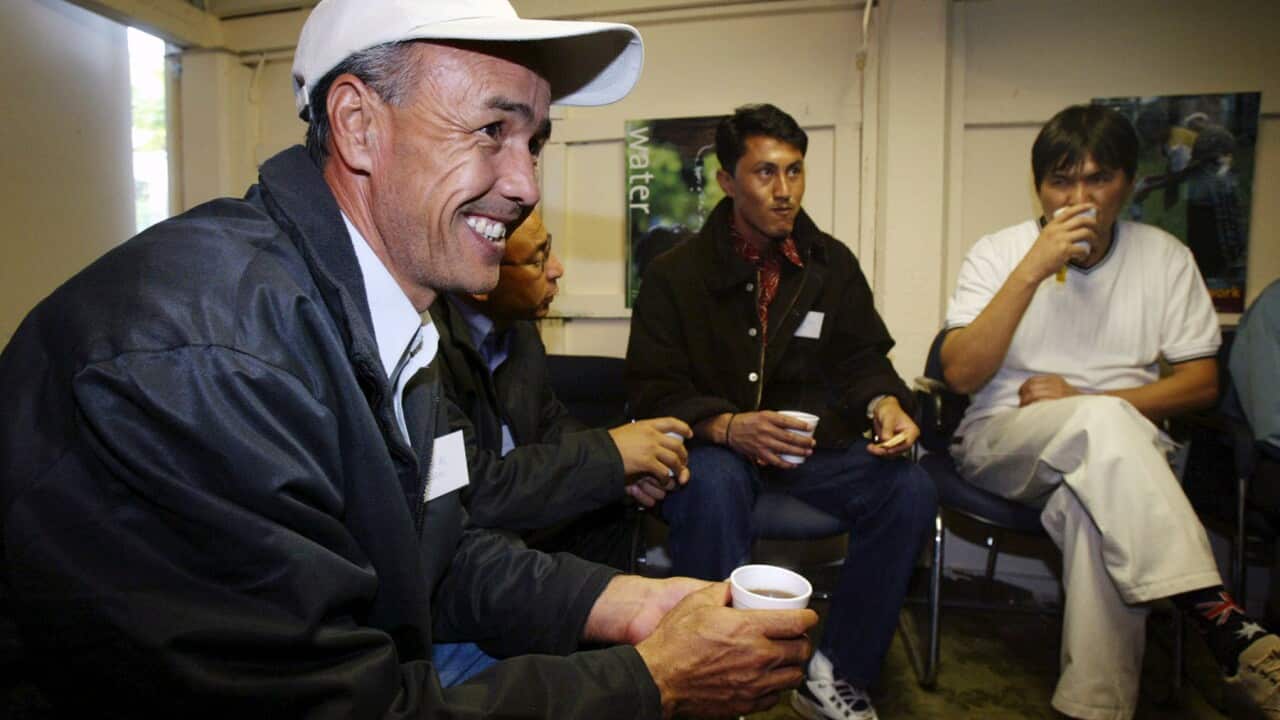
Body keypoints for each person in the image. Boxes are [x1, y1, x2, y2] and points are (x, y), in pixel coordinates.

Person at [0, 1, 820, 717]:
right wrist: (653, 681)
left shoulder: (390, 322)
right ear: (359, 125)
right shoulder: (211, 365)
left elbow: (434, 551)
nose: (526, 182)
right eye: (491, 130)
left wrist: (630, 602)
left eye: (533, 140)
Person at [940, 103, 1280, 720]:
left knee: (1091, 509)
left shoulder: (1165, 258)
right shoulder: (999, 253)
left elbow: (1202, 384)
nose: (1079, 196)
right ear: (1039, 186)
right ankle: (1217, 614)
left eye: (1097, 178)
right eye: (1060, 181)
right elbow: (959, 372)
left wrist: (1091, 400)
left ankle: (1092, 710)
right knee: (1102, 431)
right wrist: (1031, 270)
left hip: (1126, 462)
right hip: (1004, 441)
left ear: (1127, 182)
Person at [626, 103, 937, 720]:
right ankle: (709, 678)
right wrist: (727, 427)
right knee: (711, 482)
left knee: (909, 488)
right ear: (725, 181)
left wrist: (886, 402)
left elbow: (861, 358)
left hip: (808, 456)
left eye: (794, 172)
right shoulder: (673, 276)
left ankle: (836, 672)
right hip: (717, 453)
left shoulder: (831, 263)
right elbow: (650, 391)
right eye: (766, 173)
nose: (784, 190)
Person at [430, 207, 689, 572]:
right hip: (467, 537)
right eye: (537, 260)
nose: (557, 269)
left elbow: (550, 422)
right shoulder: (428, 351)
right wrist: (609, 456)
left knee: (614, 504)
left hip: (518, 513)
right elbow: (474, 488)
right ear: (480, 275)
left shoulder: (520, 333)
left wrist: (621, 467)